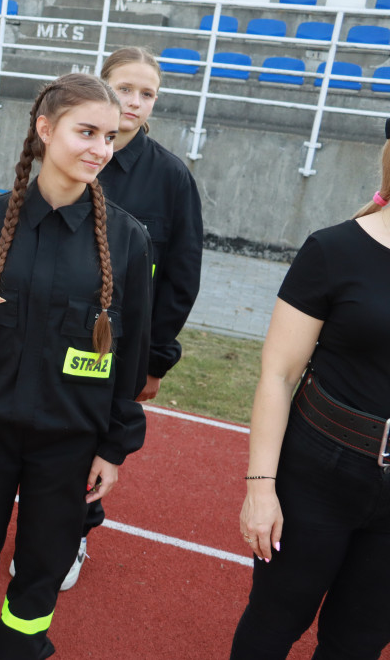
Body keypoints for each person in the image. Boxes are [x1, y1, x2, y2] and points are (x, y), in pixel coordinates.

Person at [0, 74, 152, 660]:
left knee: (46, 556)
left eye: (110, 135)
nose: (101, 147)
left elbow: (131, 357)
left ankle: (23, 647)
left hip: (70, 440)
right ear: (45, 131)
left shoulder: (128, 241)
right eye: (86, 132)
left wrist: (114, 446)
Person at [229, 119, 390, 659]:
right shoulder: (333, 249)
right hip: (317, 471)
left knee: (359, 644)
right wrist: (260, 487)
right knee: (273, 625)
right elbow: (278, 375)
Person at [58, 46, 202, 589]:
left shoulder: (171, 178)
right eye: (125, 89)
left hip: (114, 349)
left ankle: (75, 533)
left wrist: (156, 359)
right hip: (50, 334)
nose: (135, 103)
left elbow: (181, 277)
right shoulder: (66, 155)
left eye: (148, 94)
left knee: (92, 445)